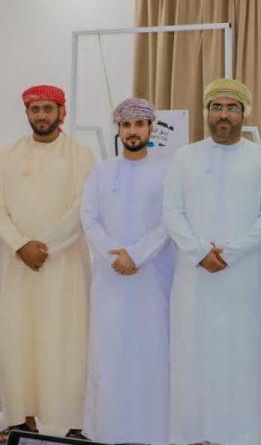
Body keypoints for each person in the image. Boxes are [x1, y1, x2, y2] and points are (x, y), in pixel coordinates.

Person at [163, 78, 261, 445]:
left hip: (242, 278)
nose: (224, 115)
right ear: (207, 112)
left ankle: (241, 435)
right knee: (193, 353)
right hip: (194, 275)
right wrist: (199, 251)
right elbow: (172, 212)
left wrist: (229, 253)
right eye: (217, 107)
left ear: (244, 113)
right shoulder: (185, 157)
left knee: (241, 356)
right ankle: (193, 434)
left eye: (232, 108)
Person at [0, 85, 94, 442]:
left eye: (48, 109)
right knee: (19, 339)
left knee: (66, 338)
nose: (41, 115)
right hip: (18, 265)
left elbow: (83, 207)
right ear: (27, 113)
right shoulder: (7, 154)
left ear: (62, 112)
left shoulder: (80, 154)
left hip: (64, 264)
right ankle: (22, 418)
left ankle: (70, 420)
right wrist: (21, 245)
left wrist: (47, 246)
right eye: (35, 109)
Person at [80, 98, 175, 445]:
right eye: (126, 125)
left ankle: (154, 432)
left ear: (151, 128)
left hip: (153, 278)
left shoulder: (168, 170)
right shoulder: (101, 172)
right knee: (109, 353)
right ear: (118, 130)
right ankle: (107, 429)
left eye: (139, 124)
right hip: (110, 280)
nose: (132, 131)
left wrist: (136, 255)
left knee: (152, 352)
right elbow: (89, 217)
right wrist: (113, 255)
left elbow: (170, 220)